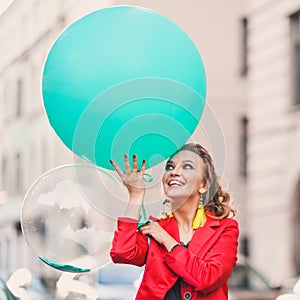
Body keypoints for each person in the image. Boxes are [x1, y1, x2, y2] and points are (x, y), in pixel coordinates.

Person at [110, 143, 239, 300]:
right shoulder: (155, 228)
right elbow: (122, 253)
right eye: (170, 167)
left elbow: (208, 278)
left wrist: (167, 241)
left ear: (203, 185)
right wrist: (136, 195)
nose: (174, 172)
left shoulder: (225, 228)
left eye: (187, 166)